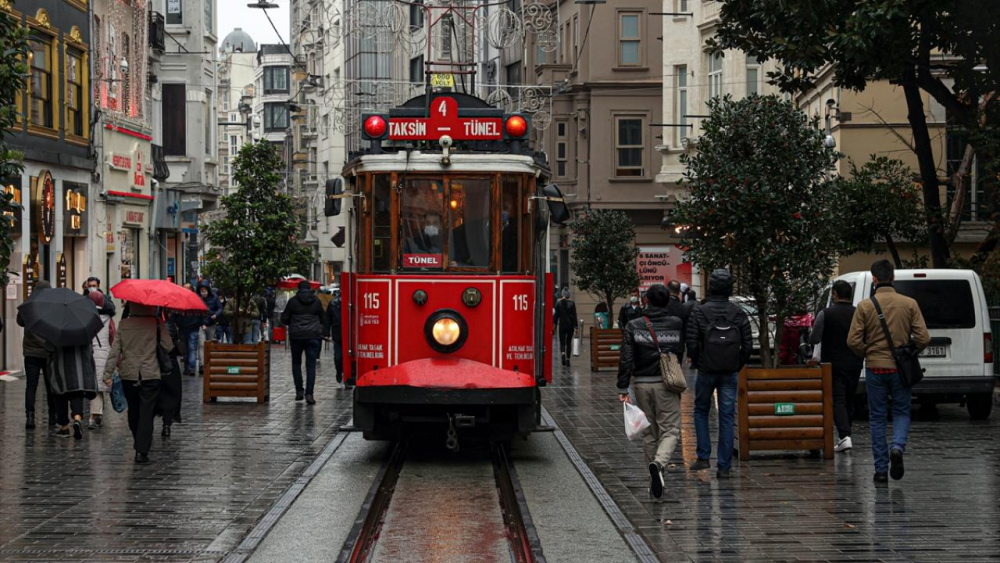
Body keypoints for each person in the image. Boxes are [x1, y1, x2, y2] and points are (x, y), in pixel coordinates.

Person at [847, 260, 930, 483]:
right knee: (902, 411)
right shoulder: (909, 304)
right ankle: (898, 448)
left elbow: (852, 340)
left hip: (875, 368)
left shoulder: (865, 306)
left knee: (877, 418)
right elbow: (924, 337)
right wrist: (909, 351)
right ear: (893, 278)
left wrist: (868, 352)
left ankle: (881, 470)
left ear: (874, 280)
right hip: (900, 370)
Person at [616, 284, 685, 499]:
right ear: (667, 301)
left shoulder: (633, 325)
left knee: (649, 433)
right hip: (666, 383)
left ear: (646, 301)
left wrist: (622, 386)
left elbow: (626, 357)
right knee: (671, 430)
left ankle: (653, 479)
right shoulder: (676, 323)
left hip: (642, 383)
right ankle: (659, 464)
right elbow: (679, 352)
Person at [685, 268, 753, 479]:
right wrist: (736, 364)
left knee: (701, 410)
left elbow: (692, 342)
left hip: (706, 370)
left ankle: (703, 455)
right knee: (726, 416)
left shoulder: (699, 311)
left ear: (711, 287)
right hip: (729, 371)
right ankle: (724, 466)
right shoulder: (738, 313)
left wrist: (698, 362)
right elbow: (748, 345)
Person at [102, 303, 173, 463]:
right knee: (147, 412)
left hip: (129, 374)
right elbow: (168, 346)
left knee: (134, 411)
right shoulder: (156, 323)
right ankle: (142, 450)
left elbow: (115, 351)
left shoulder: (124, 324)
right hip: (150, 374)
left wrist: (107, 373)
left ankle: (137, 440)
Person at [808, 280, 865, 452]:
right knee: (849, 398)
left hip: (832, 364)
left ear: (834, 294)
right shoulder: (859, 314)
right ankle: (846, 435)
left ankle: (844, 436)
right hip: (854, 362)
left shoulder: (825, 314)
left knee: (838, 399)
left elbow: (815, 338)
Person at [18, 280, 57, 432]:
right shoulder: (53, 306)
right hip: (47, 352)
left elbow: (20, 321)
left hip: (30, 352)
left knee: (31, 386)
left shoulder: (29, 304)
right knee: (50, 386)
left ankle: (30, 416)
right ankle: (53, 416)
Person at [281, 280, 327, 404]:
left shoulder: (293, 301)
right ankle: (309, 394)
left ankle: (299, 391)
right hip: (313, 336)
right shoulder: (316, 301)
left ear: (298, 289)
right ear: (310, 289)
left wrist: (292, 322)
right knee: (311, 365)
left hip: (296, 336)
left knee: (296, 363)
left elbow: (284, 318)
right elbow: (323, 318)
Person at [88, 291, 115, 429]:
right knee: (100, 384)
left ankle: (95, 414)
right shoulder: (108, 317)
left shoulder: (86, 316)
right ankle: (97, 413)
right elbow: (112, 336)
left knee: (94, 386)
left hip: (89, 353)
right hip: (104, 353)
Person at [173, 285, 204, 376]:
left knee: (190, 348)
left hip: (191, 327)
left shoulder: (193, 299)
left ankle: (190, 368)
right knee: (187, 349)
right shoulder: (193, 299)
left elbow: (203, 312)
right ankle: (189, 368)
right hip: (185, 327)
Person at [198, 282, 223, 367]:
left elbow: (220, 308)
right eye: (201, 290)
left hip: (211, 324)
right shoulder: (199, 298)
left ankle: (208, 362)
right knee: (201, 345)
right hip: (201, 325)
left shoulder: (214, 298)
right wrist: (203, 324)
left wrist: (215, 315)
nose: (203, 292)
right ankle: (202, 364)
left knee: (209, 343)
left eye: (204, 290)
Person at [553, 288, 577, 368]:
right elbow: (574, 316)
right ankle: (568, 359)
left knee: (562, 341)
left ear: (562, 294)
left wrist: (554, 325)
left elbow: (556, 316)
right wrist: (576, 326)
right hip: (570, 325)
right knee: (569, 342)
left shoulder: (558, 303)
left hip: (562, 325)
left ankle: (563, 353)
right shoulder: (572, 304)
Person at [325, 285, 344, 385]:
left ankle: (345, 374)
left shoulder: (352, 302)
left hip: (349, 335)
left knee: (345, 357)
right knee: (338, 356)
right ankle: (339, 371)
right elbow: (328, 319)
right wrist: (326, 332)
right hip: (338, 334)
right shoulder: (333, 304)